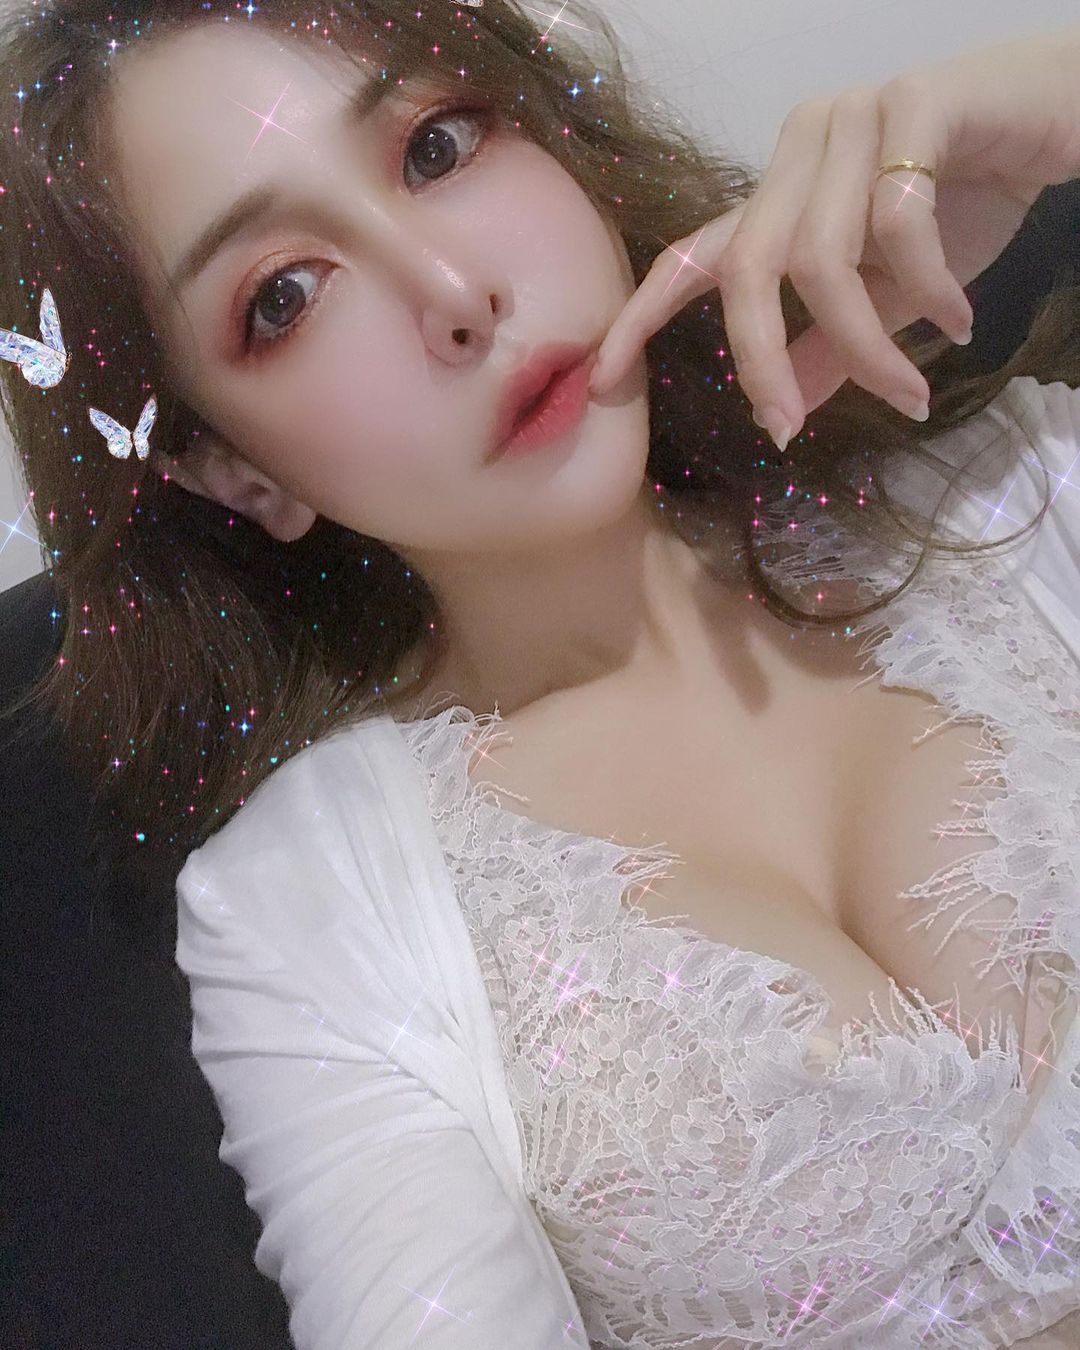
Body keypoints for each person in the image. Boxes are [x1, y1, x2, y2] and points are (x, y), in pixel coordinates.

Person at [1, 2, 1078, 1346]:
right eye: (284, 296)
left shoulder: (1024, 494)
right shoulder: (311, 909)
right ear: (234, 470)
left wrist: (1061, 103)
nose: (456, 297)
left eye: (439, 146)